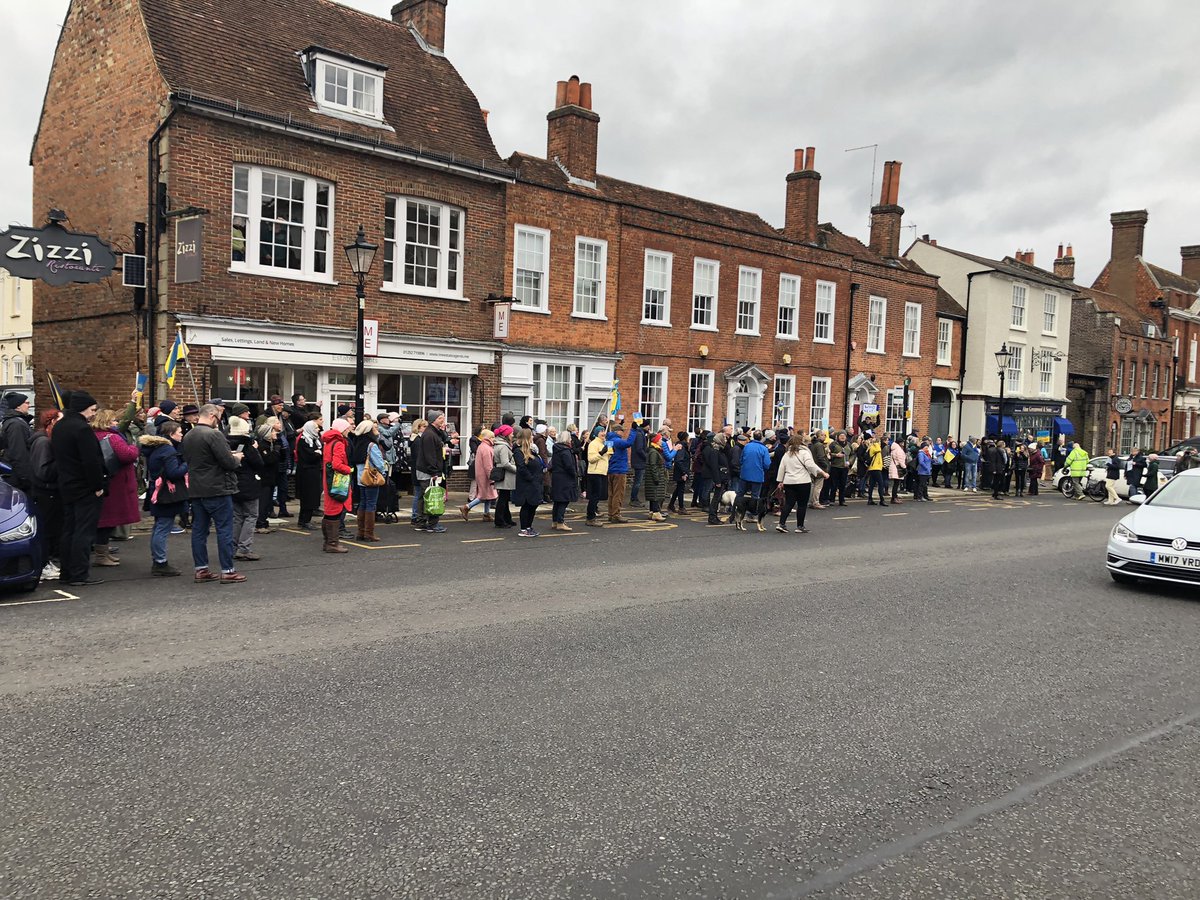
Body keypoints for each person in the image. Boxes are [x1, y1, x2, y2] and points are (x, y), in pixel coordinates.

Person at [181, 403, 246, 583]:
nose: (219, 422)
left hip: (196, 489)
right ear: (211, 416)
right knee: (224, 530)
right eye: (218, 418)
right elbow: (228, 463)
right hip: (217, 488)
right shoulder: (213, 434)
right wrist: (236, 458)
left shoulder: (188, 435)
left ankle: (201, 570)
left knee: (199, 531)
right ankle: (228, 570)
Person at [91, 409, 140, 568]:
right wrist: (134, 448)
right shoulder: (112, 437)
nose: (116, 423)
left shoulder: (93, 435)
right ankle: (101, 555)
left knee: (104, 520)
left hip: (106, 480)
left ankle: (103, 553)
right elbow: (127, 455)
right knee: (107, 521)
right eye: (113, 421)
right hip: (116, 483)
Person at [140, 421, 188, 576]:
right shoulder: (168, 450)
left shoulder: (156, 448)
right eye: (180, 432)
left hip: (156, 490)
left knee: (158, 527)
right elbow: (174, 472)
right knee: (163, 527)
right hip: (166, 493)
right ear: (171, 433)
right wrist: (188, 464)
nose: (182, 434)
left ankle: (158, 560)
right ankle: (160, 563)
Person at [29, 409, 64, 581]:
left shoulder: (47, 440)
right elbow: (43, 471)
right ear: (51, 422)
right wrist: (62, 460)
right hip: (46, 491)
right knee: (47, 530)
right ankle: (43, 564)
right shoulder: (43, 442)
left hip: (49, 490)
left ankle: (46, 562)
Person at [228, 416, 264, 561]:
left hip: (233, 483)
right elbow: (259, 463)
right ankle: (244, 548)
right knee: (251, 516)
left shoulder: (225, 444)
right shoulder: (248, 446)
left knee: (237, 517)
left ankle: (233, 546)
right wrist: (255, 450)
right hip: (248, 484)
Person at [776, 433, 826, 534]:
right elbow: (810, 465)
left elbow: (782, 468)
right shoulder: (804, 453)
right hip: (803, 481)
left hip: (789, 481)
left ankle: (781, 524)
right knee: (802, 504)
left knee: (789, 503)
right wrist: (822, 472)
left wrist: (780, 481)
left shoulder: (787, 454)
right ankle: (800, 526)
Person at [415, 410, 451, 534]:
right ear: (433, 420)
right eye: (440, 418)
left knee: (423, 497)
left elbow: (444, 439)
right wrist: (434, 472)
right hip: (428, 471)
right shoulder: (430, 435)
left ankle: (421, 522)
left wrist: (443, 430)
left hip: (425, 470)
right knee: (432, 497)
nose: (443, 420)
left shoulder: (433, 433)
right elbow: (429, 455)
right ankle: (432, 524)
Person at [320, 418, 353, 553]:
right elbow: (337, 464)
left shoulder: (328, 442)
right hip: (337, 481)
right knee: (335, 510)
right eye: (347, 429)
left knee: (329, 511)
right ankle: (332, 543)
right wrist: (349, 469)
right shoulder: (338, 443)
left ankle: (328, 542)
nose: (348, 431)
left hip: (328, 480)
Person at [353, 418, 385, 542]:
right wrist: (384, 471)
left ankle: (361, 532)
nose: (376, 429)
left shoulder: (358, 443)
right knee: (371, 504)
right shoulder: (372, 445)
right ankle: (369, 533)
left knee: (363, 503)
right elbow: (379, 464)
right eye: (374, 428)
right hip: (371, 477)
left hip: (361, 478)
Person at [734, 430, 772, 531]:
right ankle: (751, 516)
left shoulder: (747, 446)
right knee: (755, 497)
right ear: (761, 438)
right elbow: (767, 464)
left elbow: (741, 460)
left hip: (745, 474)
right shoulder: (763, 449)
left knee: (740, 494)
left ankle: (736, 513)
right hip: (757, 475)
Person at [513, 427, 545, 537]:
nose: (533, 437)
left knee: (533, 505)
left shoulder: (532, 450)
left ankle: (529, 527)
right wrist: (531, 478)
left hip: (535, 482)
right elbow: (521, 467)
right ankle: (524, 529)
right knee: (527, 506)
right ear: (526, 437)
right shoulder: (518, 451)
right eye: (531, 435)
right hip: (527, 484)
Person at [294, 414, 324, 531]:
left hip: (314, 470)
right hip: (306, 472)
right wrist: (317, 453)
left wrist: (318, 452)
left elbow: (320, 450)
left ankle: (306, 520)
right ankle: (304, 521)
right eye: (316, 428)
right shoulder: (304, 440)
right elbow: (309, 456)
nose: (318, 429)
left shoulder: (315, 439)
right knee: (307, 497)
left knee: (312, 496)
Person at [0, 390, 34, 490]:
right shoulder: (16, 425)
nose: (29, 405)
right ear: (18, 406)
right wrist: (25, 477)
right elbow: (19, 452)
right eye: (26, 403)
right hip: (17, 476)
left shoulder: (16, 422)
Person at [461, 429, 498, 522]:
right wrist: (491, 476)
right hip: (485, 475)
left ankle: (486, 514)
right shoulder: (486, 448)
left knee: (488, 495)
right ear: (488, 438)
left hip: (481, 473)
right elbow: (488, 465)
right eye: (492, 437)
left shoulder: (483, 446)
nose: (494, 439)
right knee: (483, 495)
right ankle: (467, 507)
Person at [605, 418, 637, 524]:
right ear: (617, 431)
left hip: (611, 469)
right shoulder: (618, 441)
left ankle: (611, 513)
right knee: (618, 494)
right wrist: (633, 430)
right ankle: (616, 514)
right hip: (619, 470)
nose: (623, 432)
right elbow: (629, 443)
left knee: (611, 493)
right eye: (621, 430)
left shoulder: (609, 440)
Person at [550, 429, 579, 530]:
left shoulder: (557, 449)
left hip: (557, 477)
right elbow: (569, 466)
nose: (571, 440)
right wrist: (574, 474)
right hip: (565, 478)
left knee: (557, 501)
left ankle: (555, 521)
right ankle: (560, 522)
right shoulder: (565, 451)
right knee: (564, 500)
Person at [491, 424, 518, 529]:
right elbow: (505, 463)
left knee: (504, 498)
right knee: (503, 499)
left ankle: (507, 519)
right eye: (511, 433)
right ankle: (500, 521)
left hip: (504, 474)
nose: (512, 435)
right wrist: (516, 469)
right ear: (506, 434)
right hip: (506, 475)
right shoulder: (503, 446)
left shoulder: (499, 444)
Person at [584, 425, 610, 526]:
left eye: (604, 431)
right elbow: (591, 459)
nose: (604, 433)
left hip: (602, 472)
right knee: (594, 496)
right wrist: (602, 452)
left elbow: (605, 459)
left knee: (597, 496)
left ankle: (592, 515)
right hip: (595, 473)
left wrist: (610, 453)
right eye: (601, 431)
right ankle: (590, 518)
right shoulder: (594, 444)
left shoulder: (603, 443)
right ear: (597, 433)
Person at [643, 431, 668, 523]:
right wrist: (656, 477)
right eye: (660, 439)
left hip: (654, 476)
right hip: (654, 477)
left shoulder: (655, 450)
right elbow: (653, 465)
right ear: (656, 441)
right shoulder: (654, 452)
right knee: (655, 495)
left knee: (653, 495)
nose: (662, 441)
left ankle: (652, 512)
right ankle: (656, 513)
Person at [668, 433, 690, 515]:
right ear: (685, 438)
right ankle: (681, 507)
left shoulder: (682, 446)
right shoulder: (682, 447)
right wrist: (684, 472)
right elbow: (679, 460)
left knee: (678, 489)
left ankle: (671, 505)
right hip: (681, 472)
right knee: (681, 490)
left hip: (680, 471)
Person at [827, 431, 849, 507]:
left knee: (843, 484)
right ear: (838, 437)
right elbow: (828, 454)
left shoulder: (848, 445)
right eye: (841, 436)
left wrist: (850, 461)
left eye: (844, 436)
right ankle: (832, 500)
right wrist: (836, 455)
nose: (842, 437)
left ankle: (842, 500)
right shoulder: (833, 444)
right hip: (835, 466)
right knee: (834, 484)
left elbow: (853, 454)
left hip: (845, 467)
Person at [864, 435, 887, 506]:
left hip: (873, 468)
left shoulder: (871, 447)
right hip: (875, 468)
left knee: (872, 484)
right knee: (881, 484)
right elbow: (879, 450)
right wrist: (876, 442)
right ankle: (881, 500)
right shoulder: (875, 447)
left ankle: (870, 499)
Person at [809, 430, 829, 509]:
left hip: (814, 467)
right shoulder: (819, 445)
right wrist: (826, 466)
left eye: (825, 435)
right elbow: (821, 457)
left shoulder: (813, 444)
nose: (824, 437)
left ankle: (812, 501)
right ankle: (815, 502)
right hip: (819, 468)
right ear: (818, 436)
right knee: (818, 486)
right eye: (823, 435)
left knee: (813, 486)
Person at [887, 437, 905, 505]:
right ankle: (894, 498)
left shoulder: (894, 448)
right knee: (896, 484)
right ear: (900, 443)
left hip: (894, 467)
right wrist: (904, 467)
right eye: (902, 442)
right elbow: (900, 460)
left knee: (896, 484)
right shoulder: (898, 450)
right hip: (897, 468)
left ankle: (894, 497)